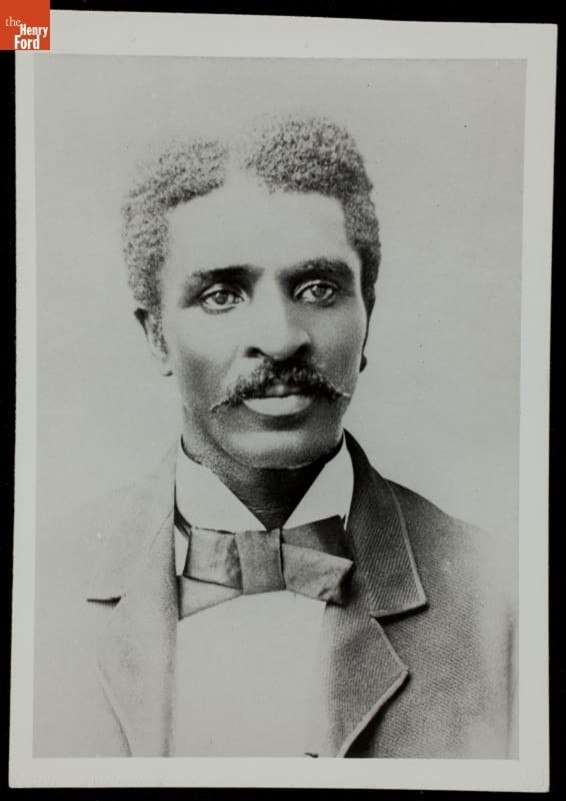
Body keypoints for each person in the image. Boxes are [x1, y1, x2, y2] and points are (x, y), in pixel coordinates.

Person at [33, 113, 516, 759]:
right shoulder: (36, 593)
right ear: (155, 335)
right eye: (222, 294)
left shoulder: (503, 598)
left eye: (318, 287)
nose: (283, 335)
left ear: (367, 312)